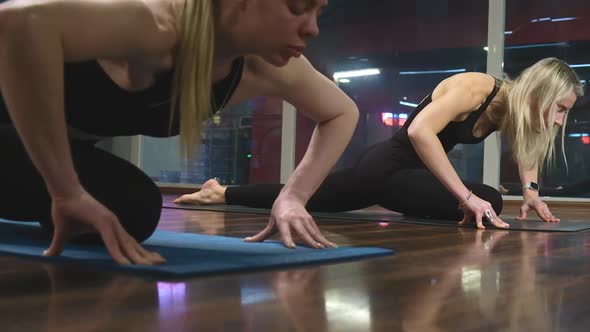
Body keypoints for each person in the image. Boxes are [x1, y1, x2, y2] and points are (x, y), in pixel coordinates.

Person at [0, 0, 359, 264]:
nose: (312, 28)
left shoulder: (267, 70)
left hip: (21, 146)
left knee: (132, 208)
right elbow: (18, 22)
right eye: (298, 7)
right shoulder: (157, 23)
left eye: (318, 13)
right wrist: (66, 189)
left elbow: (342, 112)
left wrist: (293, 196)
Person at [175, 57, 585, 229]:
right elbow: (419, 132)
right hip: (388, 165)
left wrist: (530, 191)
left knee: (314, 197)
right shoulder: (476, 89)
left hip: (409, 174)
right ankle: (222, 193)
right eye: (560, 109)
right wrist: (464, 197)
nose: (560, 120)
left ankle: (221, 191)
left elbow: (527, 146)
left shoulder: (513, 111)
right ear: (539, 95)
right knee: (487, 200)